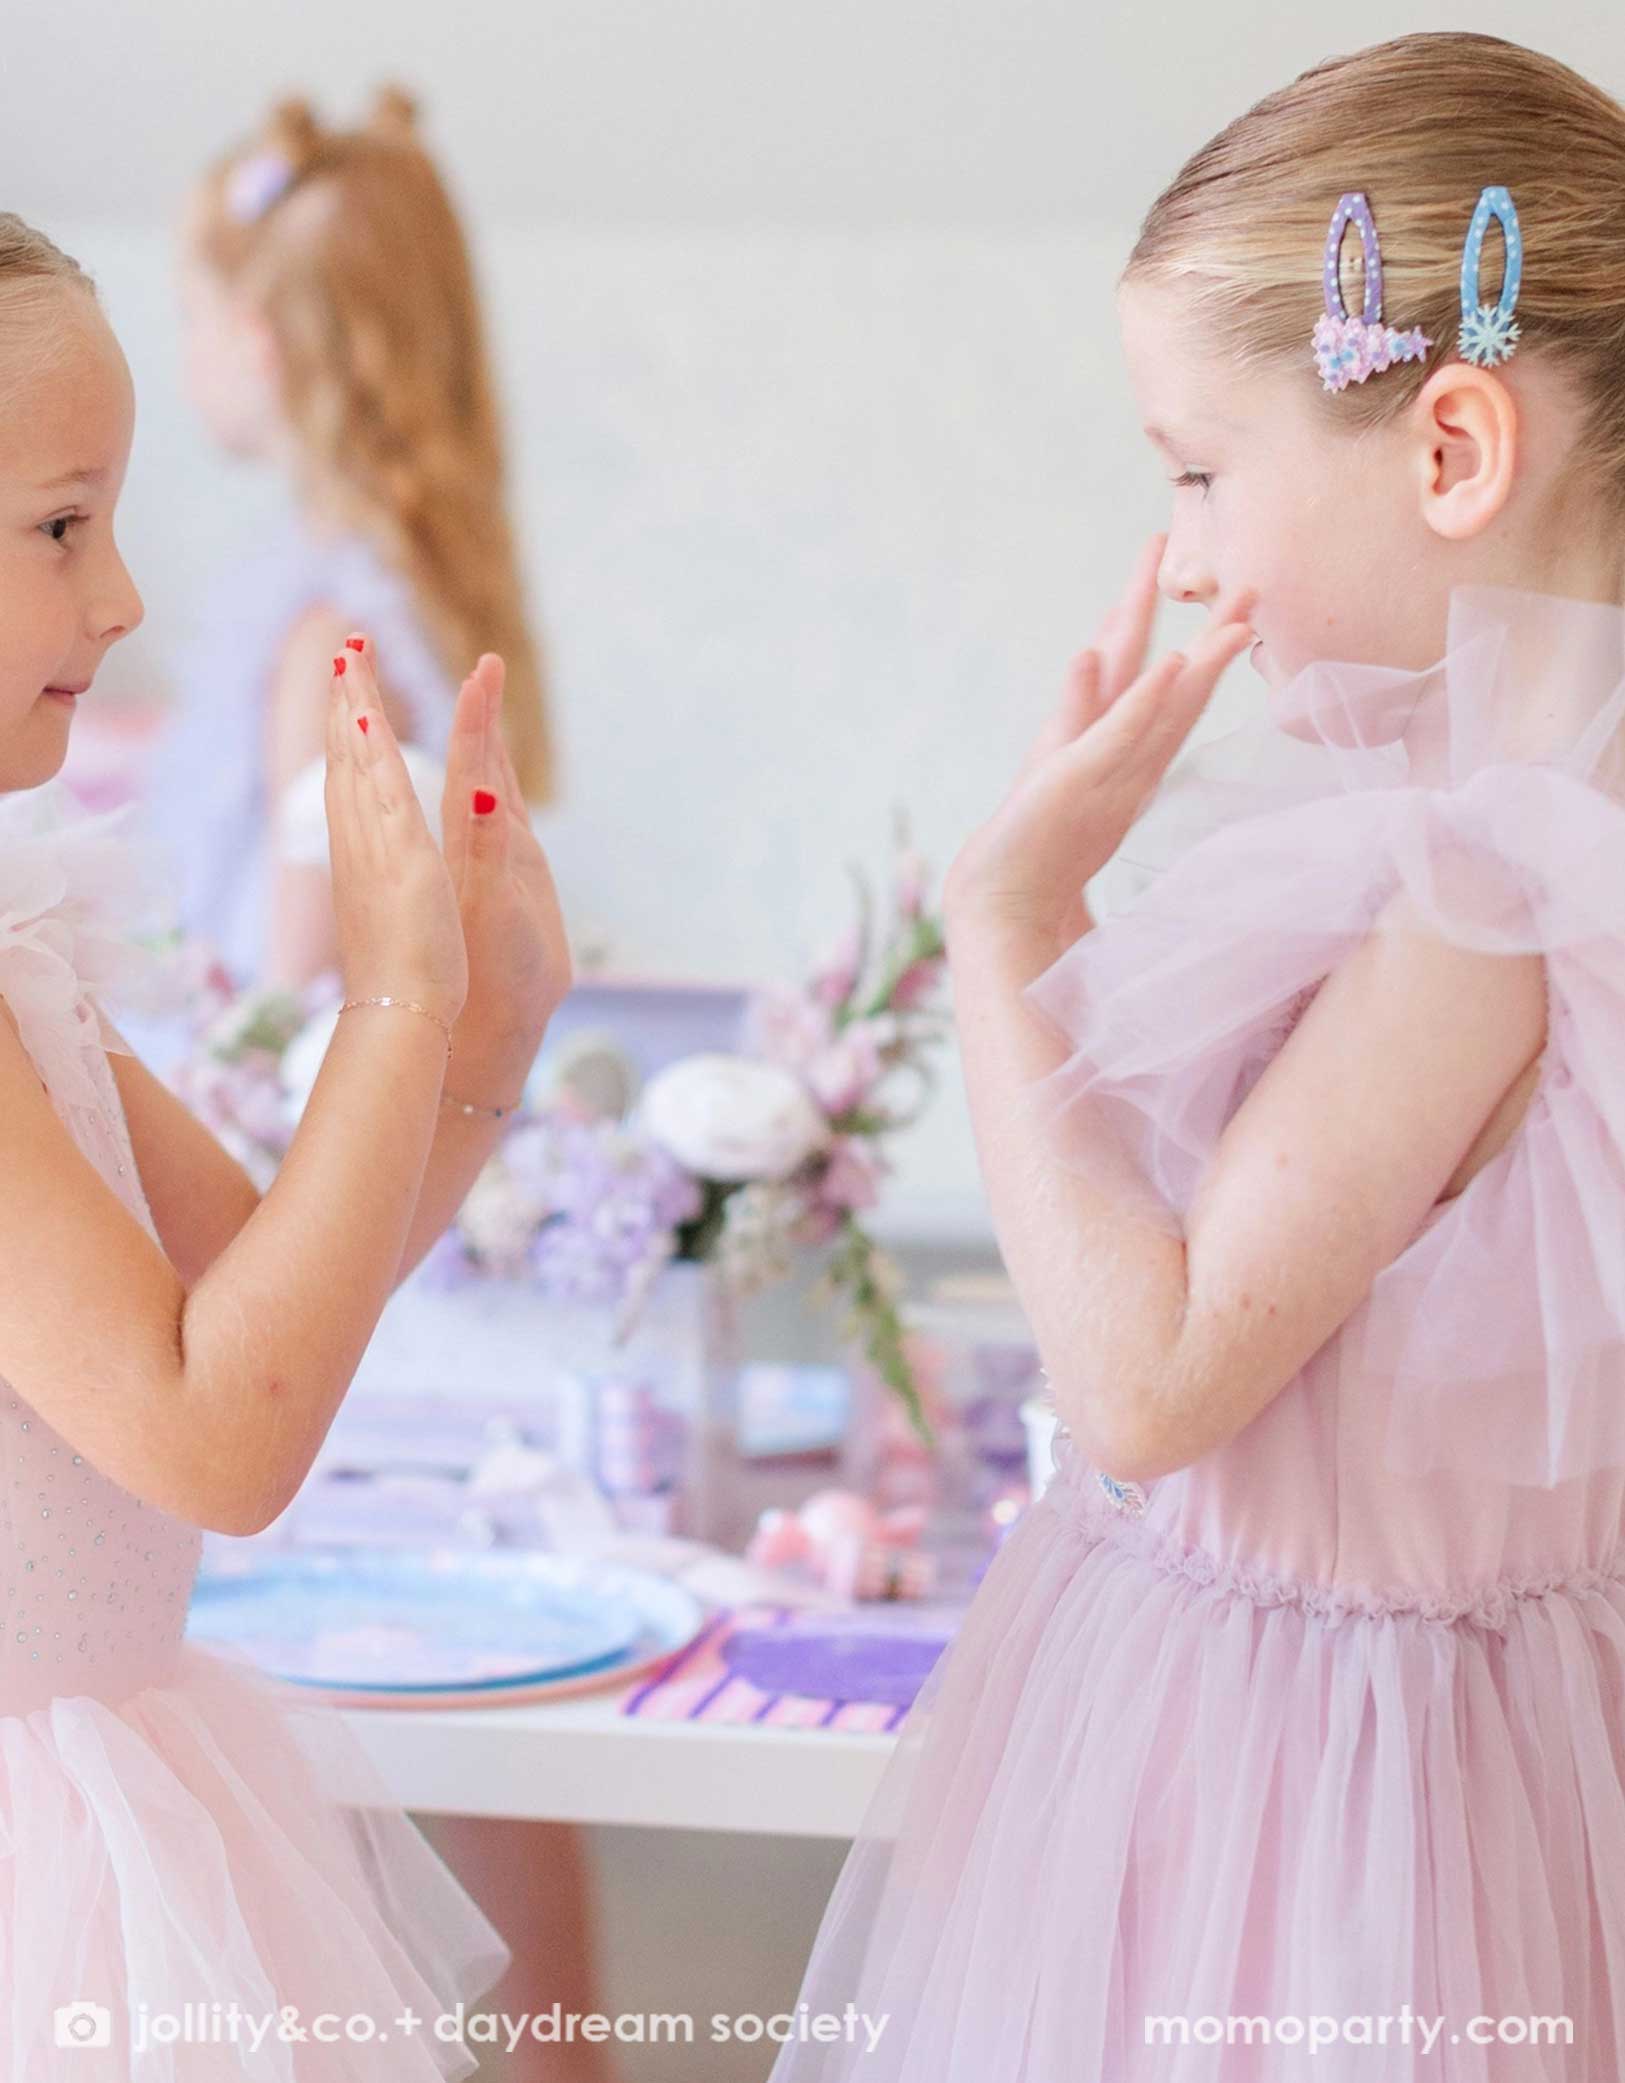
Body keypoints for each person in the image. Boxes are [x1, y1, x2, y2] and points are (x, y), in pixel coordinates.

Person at [771, 31, 1625, 2081]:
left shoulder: (1480, 904)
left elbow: (1147, 1382)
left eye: (1194, 466)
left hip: (1313, 1834)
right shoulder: (1489, 861)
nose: (1178, 552)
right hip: (1355, 1766)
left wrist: (994, 930)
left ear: (1444, 450)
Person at [0, 210, 572, 2076]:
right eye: (62, 525)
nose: (126, 597)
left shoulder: (20, 955)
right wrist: (391, 1003)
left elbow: (263, 1288)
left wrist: (476, 1043)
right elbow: (217, 1439)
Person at [144, 85, 555, 1002]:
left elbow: (301, 1001)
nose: (184, 348)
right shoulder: (408, 603)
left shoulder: (331, 649)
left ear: (259, 344)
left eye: (189, 312)